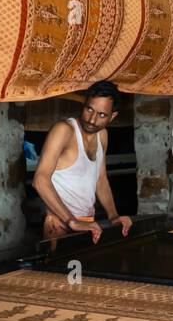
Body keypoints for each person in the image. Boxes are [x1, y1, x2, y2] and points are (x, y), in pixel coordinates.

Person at [33, 80, 132, 245]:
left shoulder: (102, 135)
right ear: (84, 104)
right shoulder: (64, 130)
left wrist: (114, 217)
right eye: (89, 109)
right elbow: (40, 180)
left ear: (112, 116)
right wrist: (71, 221)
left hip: (87, 223)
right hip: (59, 223)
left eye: (102, 115)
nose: (92, 120)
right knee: (57, 271)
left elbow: (101, 180)